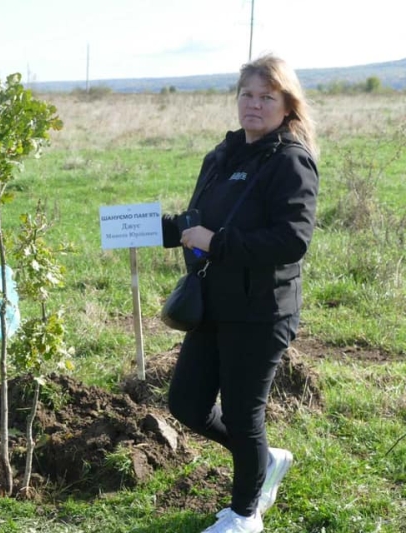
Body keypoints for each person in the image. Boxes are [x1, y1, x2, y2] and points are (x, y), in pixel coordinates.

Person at [161, 54, 319, 533]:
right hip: (214, 303)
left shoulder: (291, 162)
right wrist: (144, 227)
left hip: (262, 310)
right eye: (246, 95)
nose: (253, 105)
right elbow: (197, 222)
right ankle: (264, 459)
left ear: (286, 105)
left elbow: (292, 240)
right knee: (186, 404)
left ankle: (245, 515)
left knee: (241, 412)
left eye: (266, 97)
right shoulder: (222, 156)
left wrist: (218, 242)